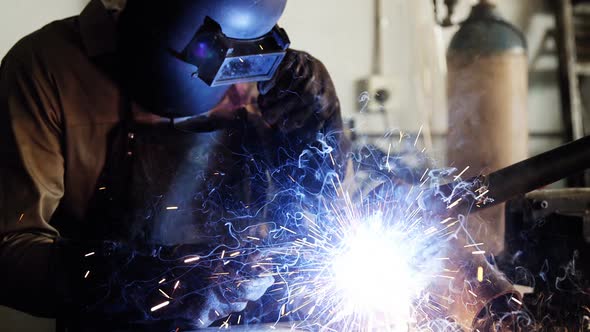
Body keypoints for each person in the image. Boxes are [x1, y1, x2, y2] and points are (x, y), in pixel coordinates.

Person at [0, 0, 347, 330]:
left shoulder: (277, 78)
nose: (234, 81)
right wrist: (151, 281)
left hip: (258, 322)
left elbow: (325, 235)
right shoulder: (49, 68)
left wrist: (321, 140)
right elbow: (9, 250)